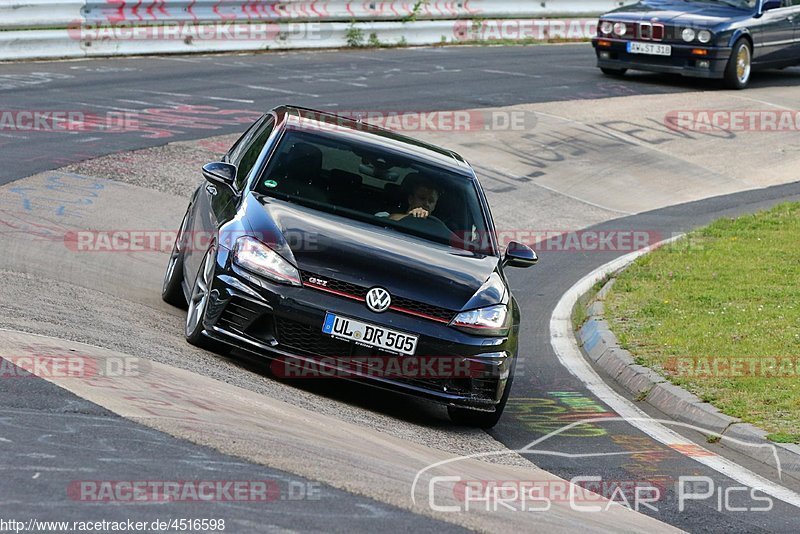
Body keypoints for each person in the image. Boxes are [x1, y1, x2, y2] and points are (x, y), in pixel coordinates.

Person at [376, 174, 441, 221]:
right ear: (411, 199)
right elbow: (380, 220)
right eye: (422, 198)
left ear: (434, 206)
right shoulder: (386, 214)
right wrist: (409, 216)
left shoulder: (437, 227)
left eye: (431, 201)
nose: (426, 204)